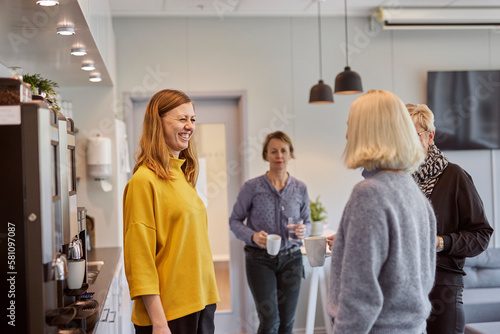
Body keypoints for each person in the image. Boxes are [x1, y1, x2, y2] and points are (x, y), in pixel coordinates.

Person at [327, 90, 437, 333]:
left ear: (368, 131)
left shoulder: (369, 193)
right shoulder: (414, 193)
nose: (347, 134)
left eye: (351, 126)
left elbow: (360, 297)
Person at [123, 89, 220, 334]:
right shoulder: (144, 181)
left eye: (193, 119)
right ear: (158, 123)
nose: (190, 126)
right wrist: (159, 322)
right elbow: (140, 260)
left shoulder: (182, 174)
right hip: (169, 313)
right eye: (182, 119)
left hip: (201, 300)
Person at [406, 103, 493, 334]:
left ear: (430, 135)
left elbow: (481, 235)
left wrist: (440, 242)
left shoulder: (454, 176)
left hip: (442, 288)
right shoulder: (399, 180)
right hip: (404, 286)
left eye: (412, 135)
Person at [229, 131, 311, 334]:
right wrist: (252, 236)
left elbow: (308, 222)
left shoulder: (300, 188)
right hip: (259, 261)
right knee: (270, 321)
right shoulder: (251, 187)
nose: (279, 155)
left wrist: (304, 230)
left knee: (287, 322)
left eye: (283, 150)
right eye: (273, 151)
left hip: (292, 259)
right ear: (266, 155)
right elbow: (234, 221)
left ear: (290, 153)